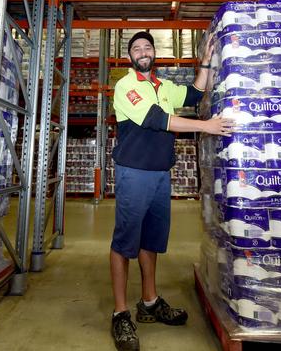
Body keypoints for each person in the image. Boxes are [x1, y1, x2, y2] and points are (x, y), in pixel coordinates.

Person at [110, 31, 234, 350]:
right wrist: (205, 126)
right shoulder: (126, 86)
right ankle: (120, 313)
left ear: (154, 53)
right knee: (125, 242)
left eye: (147, 47)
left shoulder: (164, 87)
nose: (142, 51)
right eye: (136, 48)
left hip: (159, 175)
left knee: (150, 241)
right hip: (134, 173)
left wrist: (205, 61)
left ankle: (149, 302)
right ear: (130, 57)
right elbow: (156, 120)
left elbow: (194, 94)